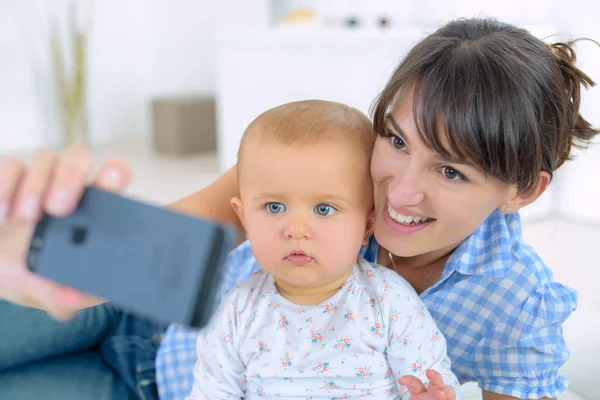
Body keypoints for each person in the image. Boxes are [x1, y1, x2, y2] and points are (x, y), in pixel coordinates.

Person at [0, 17, 597, 400]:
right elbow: (143, 253)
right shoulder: (330, 160)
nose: (398, 190)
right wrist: (45, 246)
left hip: (154, 387)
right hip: (138, 313)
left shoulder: (516, 304)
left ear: (523, 192)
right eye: (396, 139)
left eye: (449, 171)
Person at [187, 100, 462, 399]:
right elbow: (211, 392)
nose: (296, 229)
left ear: (367, 227)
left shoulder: (387, 301)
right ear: (244, 218)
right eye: (274, 207)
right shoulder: (237, 312)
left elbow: (429, 378)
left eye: (324, 209)